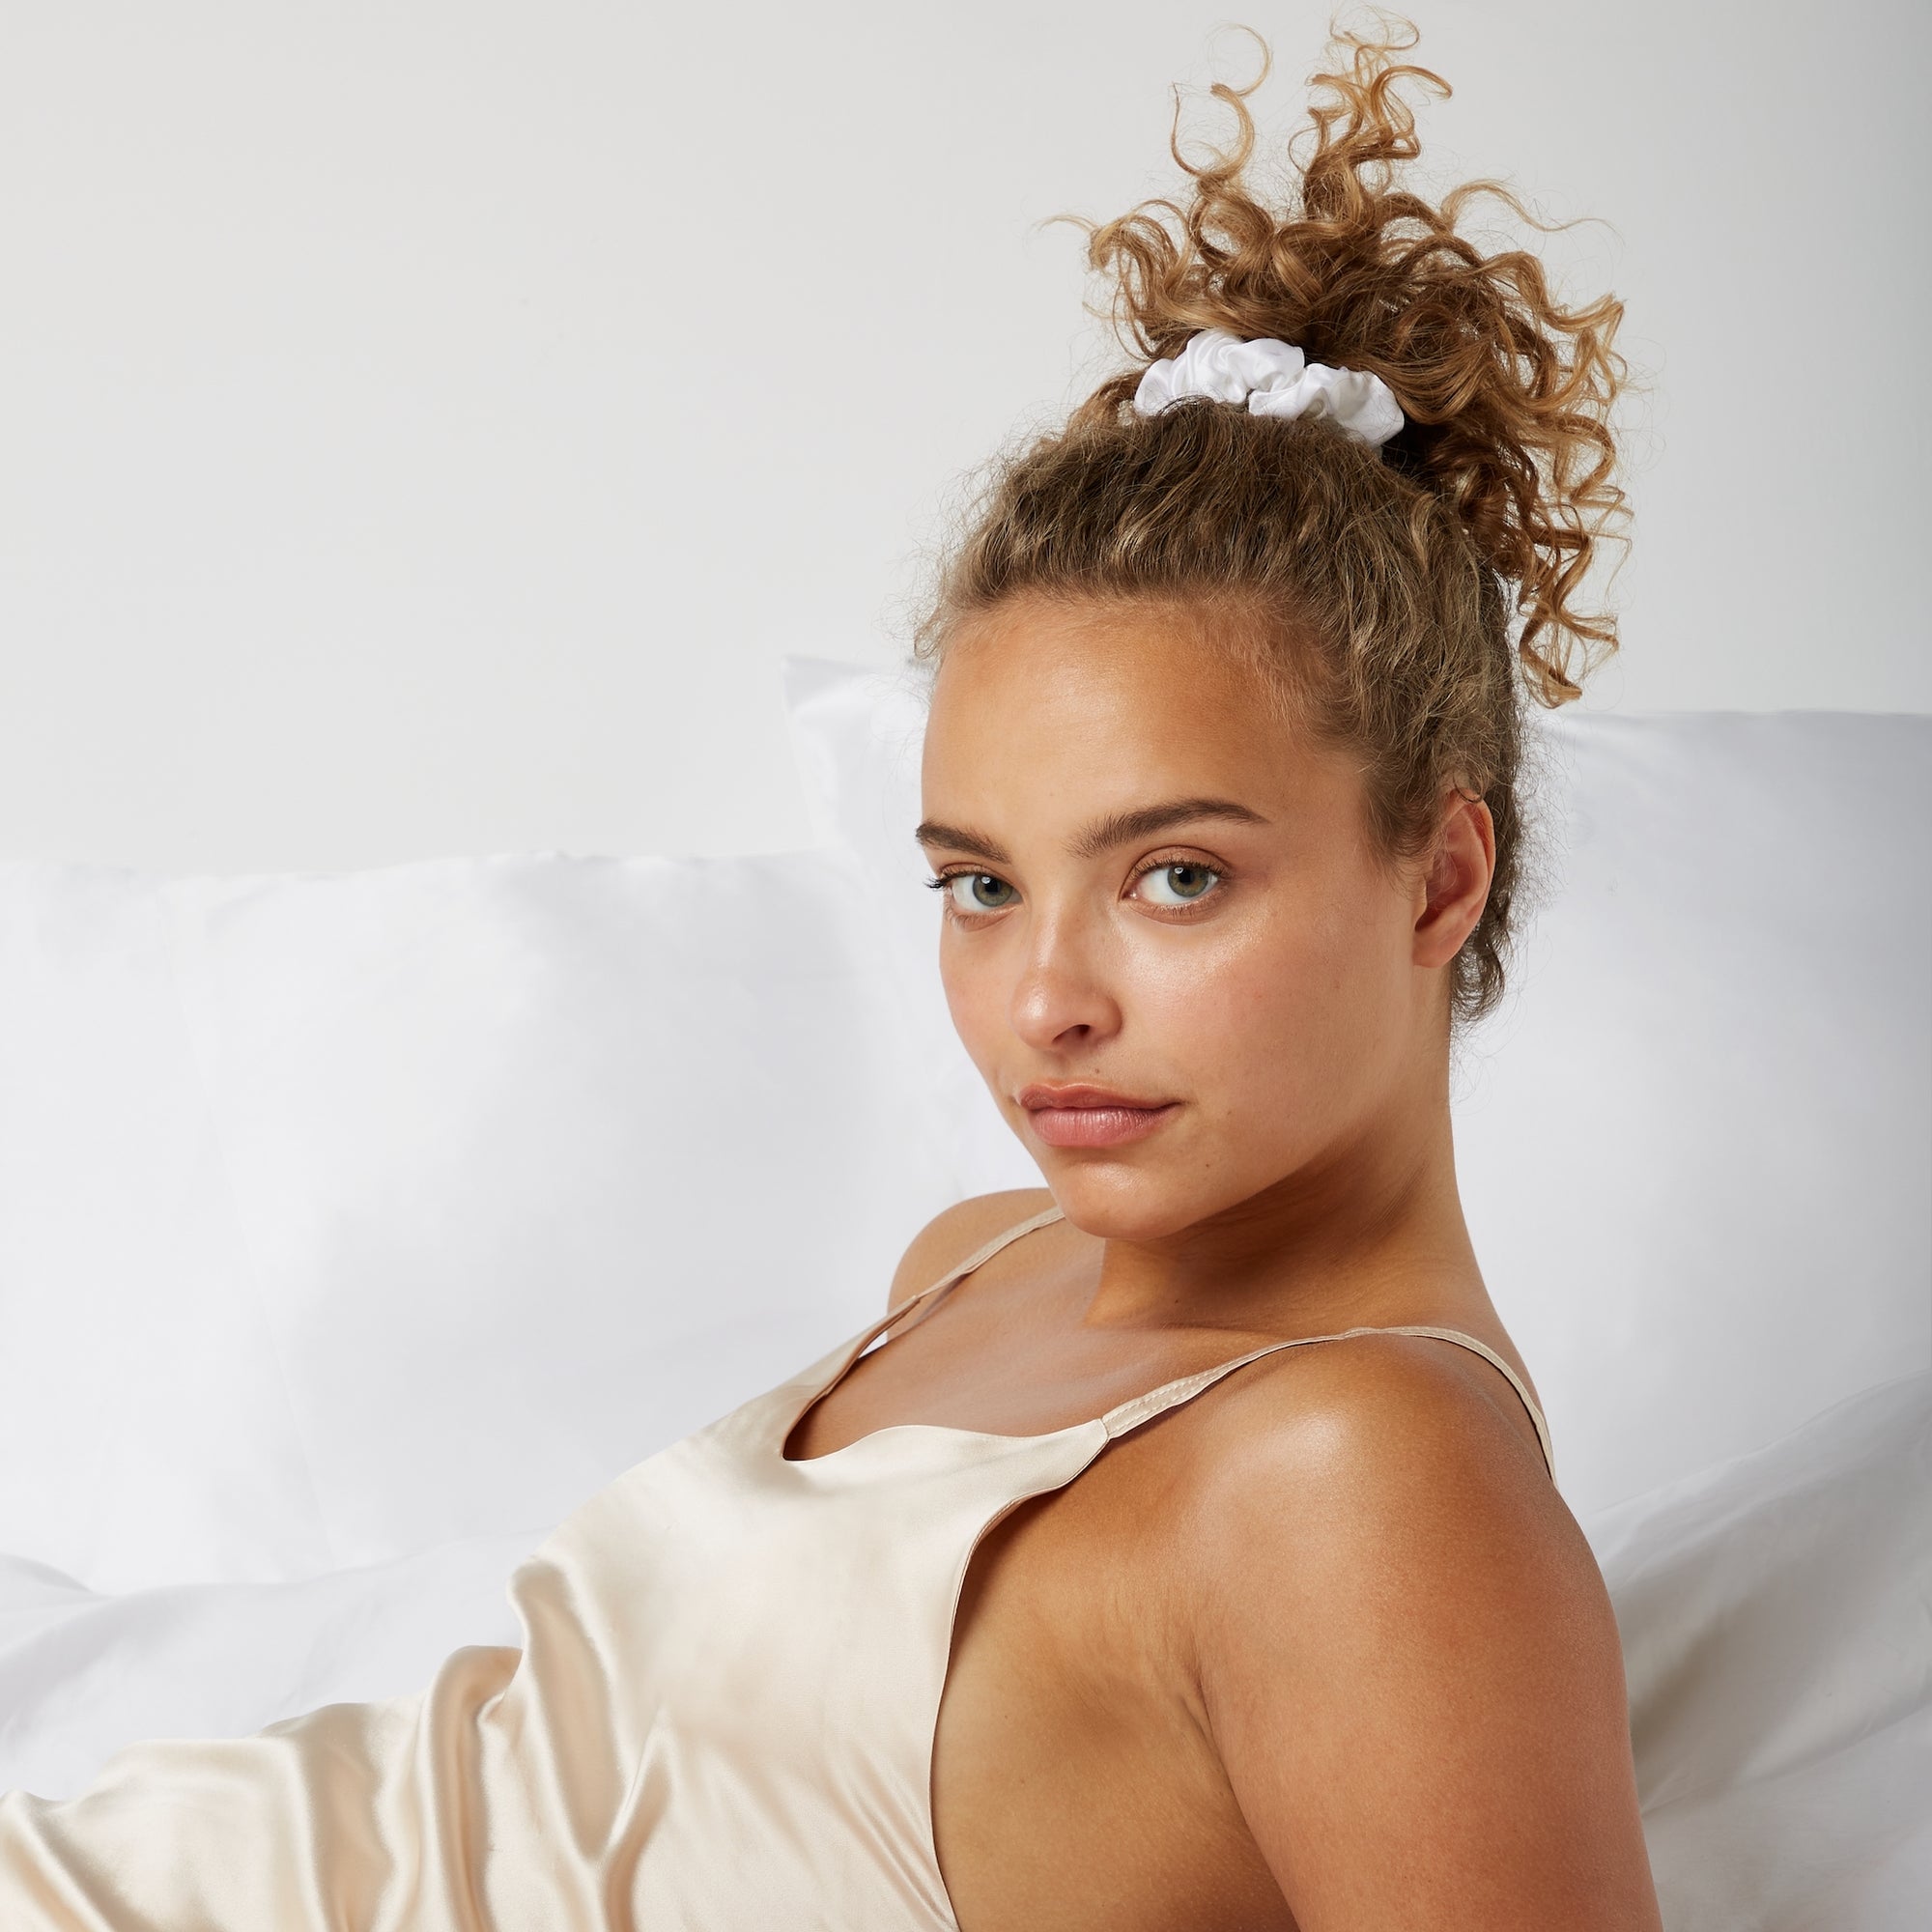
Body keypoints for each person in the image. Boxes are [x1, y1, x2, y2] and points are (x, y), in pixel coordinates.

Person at [0, 20, 1662, 1928]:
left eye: (1175, 875)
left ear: (1438, 874)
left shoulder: (1363, 1487)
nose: (1046, 999)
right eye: (977, 883)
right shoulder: (982, 1253)